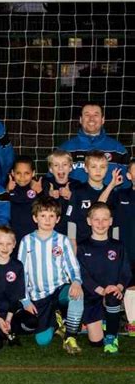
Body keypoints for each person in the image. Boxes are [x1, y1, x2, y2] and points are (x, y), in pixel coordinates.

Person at [18, 197, 84, 354]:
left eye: (51, 216)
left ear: (58, 219)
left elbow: (72, 265)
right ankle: (57, 322)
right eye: (43, 215)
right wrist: (25, 301)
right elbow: (21, 273)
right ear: (35, 218)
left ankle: (70, 337)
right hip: (38, 297)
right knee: (42, 340)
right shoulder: (26, 241)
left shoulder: (62, 240)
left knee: (77, 293)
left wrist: (76, 281)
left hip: (58, 289)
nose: (47, 220)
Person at [77, 202, 131, 354]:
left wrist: (119, 287)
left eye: (105, 219)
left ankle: (112, 337)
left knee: (112, 297)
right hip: (92, 296)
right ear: (89, 221)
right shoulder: (83, 247)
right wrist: (101, 291)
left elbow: (126, 272)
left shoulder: (118, 246)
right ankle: (106, 320)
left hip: (113, 293)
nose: (101, 224)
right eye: (96, 219)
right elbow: (83, 275)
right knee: (95, 343)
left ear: (111, 221)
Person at [59, 102, 129, 187]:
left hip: (109, 200)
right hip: (74, 200)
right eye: (87, 115)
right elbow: (53, 179)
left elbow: (126, 184)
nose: (91, 119)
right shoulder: (65, 149)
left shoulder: (118, 149)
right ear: (80, 120)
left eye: (96, 115)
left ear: (102, 120)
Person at [66, 150, 116, 251]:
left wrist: (115, 243)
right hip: (82, 244)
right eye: (93, 167)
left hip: (106, 246)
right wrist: (72, 241)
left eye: (102, 167)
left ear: (107, 169)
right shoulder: (78, 192)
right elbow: (71, 220)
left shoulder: (112, 193)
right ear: (86, 168)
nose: (98, 171)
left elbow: (116, 223)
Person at [113, 159, 135, 336]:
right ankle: (132, 322)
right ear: (129, 176)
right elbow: (100, 205)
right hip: (127, 249)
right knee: (130, 285)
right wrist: (112, 184)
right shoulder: (121, 195)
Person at [6, 156, 43, 250]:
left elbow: (47, 211)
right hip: (13, 240)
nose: (22, 177)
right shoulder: (6, 190)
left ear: (33, 173)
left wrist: (41, 193)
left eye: (26, 173)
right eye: (18, 173)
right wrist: (6, 192)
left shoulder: (39, 188)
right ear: (12, 173)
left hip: (34, 239)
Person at [42, 149, 79, 235]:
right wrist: (48, 195)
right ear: (50, 169)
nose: (60, 168)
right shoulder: (45, 183)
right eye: (56, 165)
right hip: (49, 231)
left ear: (70, 168)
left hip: (71, 232)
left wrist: (71, 196)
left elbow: (83, 208)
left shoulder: (77, 185)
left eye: (64, 164)